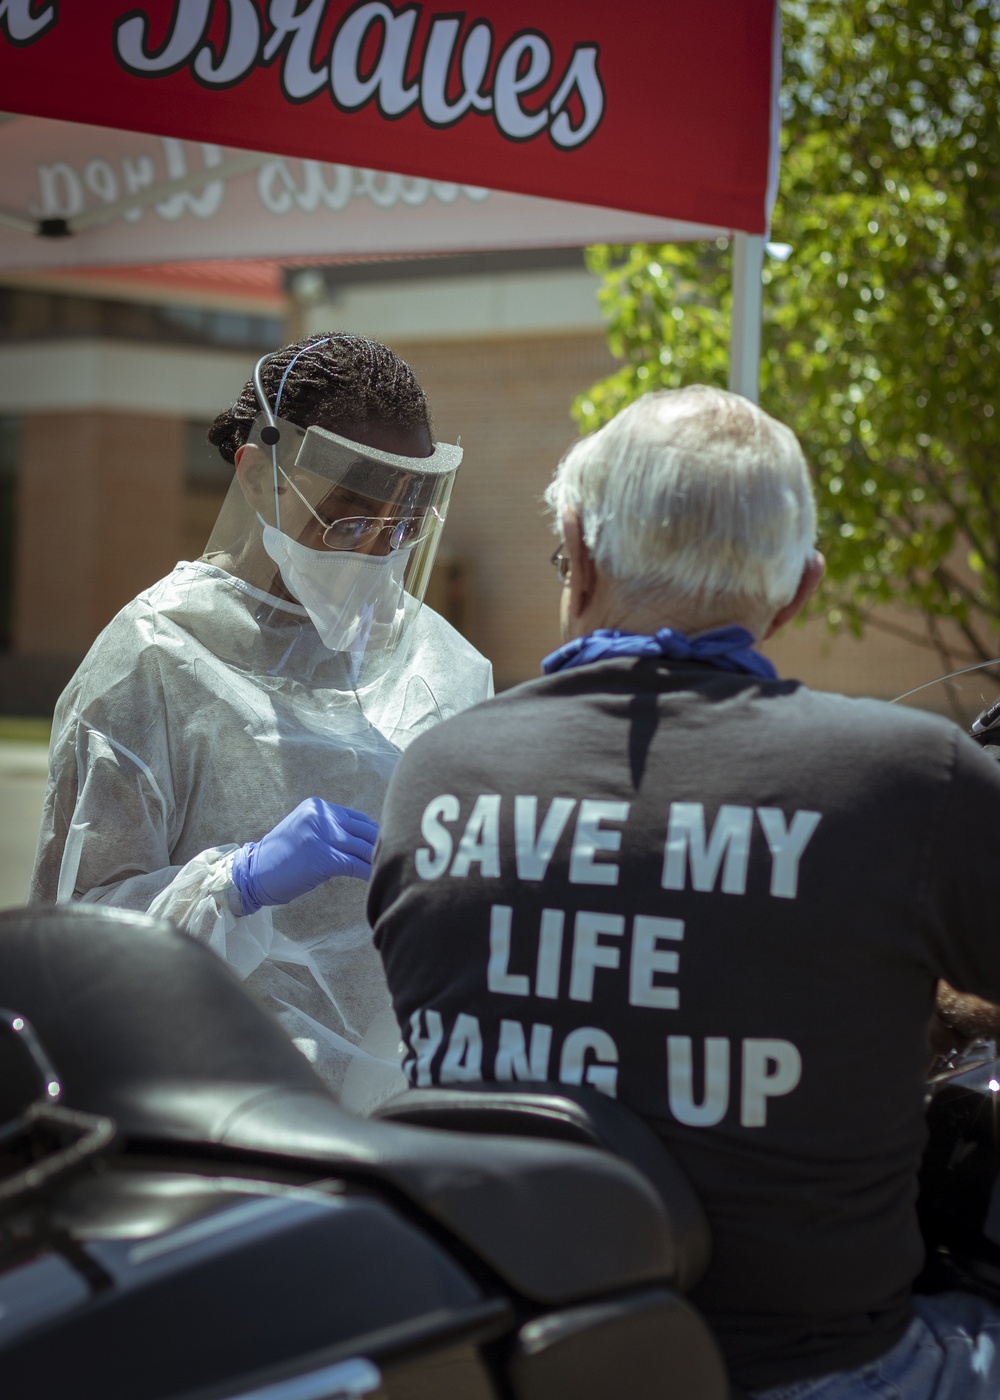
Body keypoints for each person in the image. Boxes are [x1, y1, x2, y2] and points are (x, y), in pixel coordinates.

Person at [367, 386, 1000, 1398]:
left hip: (500, 1346)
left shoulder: (435, 771)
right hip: (822, 1368)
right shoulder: (907, 780)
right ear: (798, 588)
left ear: (573, 549)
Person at [31, 333, 492, 1111]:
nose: (378, 548)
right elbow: (72, 949)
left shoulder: (439, 668)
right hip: (207, 1121)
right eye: (348, 519)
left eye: (402, 526)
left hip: (406, 1118)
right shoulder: (152, 660)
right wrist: (231, 886)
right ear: (257, 476)